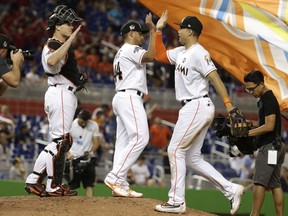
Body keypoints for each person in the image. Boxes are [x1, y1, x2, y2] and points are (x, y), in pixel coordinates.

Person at [153, 11, 244, 214]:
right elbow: (159, 55)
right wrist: (158, 31)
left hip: (197, 105)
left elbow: (215, 78)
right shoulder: (181, 52)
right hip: (192, 107)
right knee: (191, 158)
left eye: (181, 27)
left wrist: (229, 104)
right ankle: (231, 190)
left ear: (190, 31)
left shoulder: (199, 52)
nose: (178, 30)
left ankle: (176, 201)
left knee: (174, 150)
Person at [25, 5, 84, 197]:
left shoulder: (56, 44)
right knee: (61, 141)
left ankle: (34, 179)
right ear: (57, 26)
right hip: (59, 93)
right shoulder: (54, 43)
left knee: (59, 141)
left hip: (61, 92)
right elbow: (51, 63)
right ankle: (53, 185)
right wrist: (72, 39)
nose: (70, 26)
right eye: (67, 23)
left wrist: (76, 78)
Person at [104, 14, 156, 198]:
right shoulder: (130, 49)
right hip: (130, 97)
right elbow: (151, 56)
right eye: (140, 33)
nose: (142, 37)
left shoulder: (121, 52)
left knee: (123, 143)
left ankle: (120, 184)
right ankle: (115, 176)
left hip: (122, 96)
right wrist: (153, 30)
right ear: (131, 33)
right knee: (141, 137)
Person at [244, 70, 286, 216]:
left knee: (259, 182)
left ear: (261, 84)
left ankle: (254, 214)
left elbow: (269, 126)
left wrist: (247, 133)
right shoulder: (266, 98)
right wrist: (251, 124)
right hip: (277, 146)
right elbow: (264, 123)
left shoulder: (267, 99)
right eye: (247, 89)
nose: (250, 92)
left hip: (269, 147)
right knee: (275, 184)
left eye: (251, 88)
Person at [65, 110, 100, 197]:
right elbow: (64, 141)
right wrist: (68, 154)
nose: (84, 124)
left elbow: (96, 142)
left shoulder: (94, 125)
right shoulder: (70, 125)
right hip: (73, 158)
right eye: (82, 122)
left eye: (86, 122)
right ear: (78, 118)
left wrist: (91, 151)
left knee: (89, 185)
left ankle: (91, 205)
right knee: (71, 185)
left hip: (87, 159)